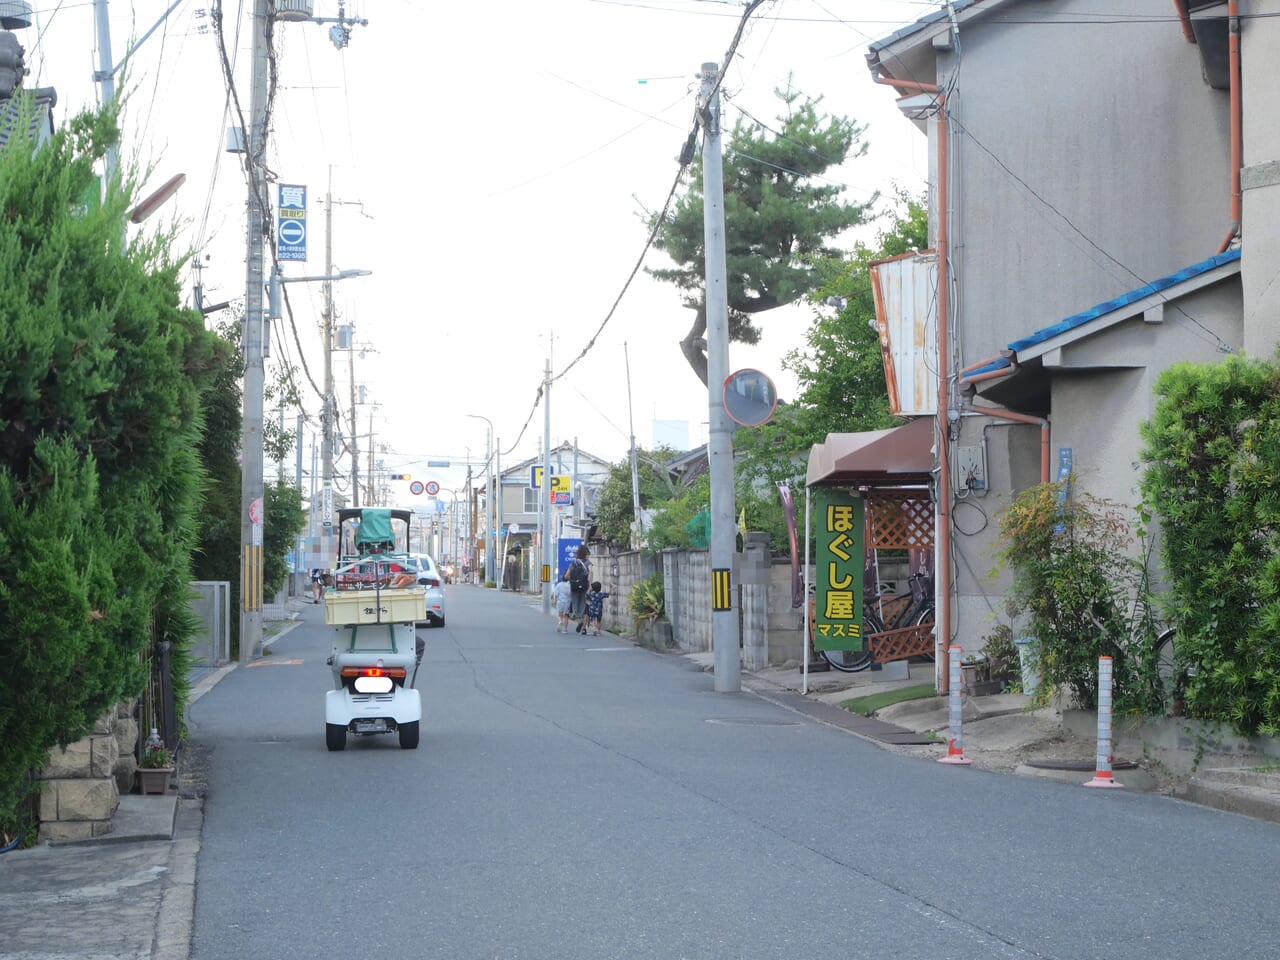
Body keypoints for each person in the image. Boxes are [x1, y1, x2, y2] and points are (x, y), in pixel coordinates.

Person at [563, 545, 591, 631]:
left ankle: (576, 617)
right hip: (584, 586)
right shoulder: (588, 562)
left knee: (575, 603)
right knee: (584, 604)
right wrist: (589, 585)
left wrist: (569, 579)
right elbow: (591, 572)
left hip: (574, 586)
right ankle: (582, 623)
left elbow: (567, 575)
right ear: (586, 554)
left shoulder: (573, 562)